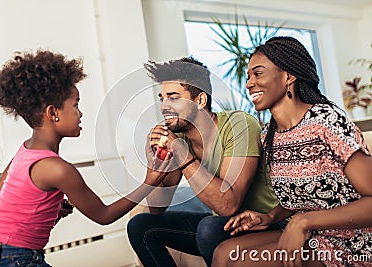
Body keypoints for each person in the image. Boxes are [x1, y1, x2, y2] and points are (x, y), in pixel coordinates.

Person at [0, 50, 171, 266]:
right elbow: (104, 215)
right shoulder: (58, 169)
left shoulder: (25, 151)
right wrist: (150, 182)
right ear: (53, 113)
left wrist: (51, 210)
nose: (80, 113)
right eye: (76, 104)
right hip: (17, 259)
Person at [212, 36, 372, 267]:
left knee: (244, 263)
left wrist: (303, 221)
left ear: (288, 76)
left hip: (356, 241)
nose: (249, 83)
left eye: (258, 73)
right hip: (314, 234)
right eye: (248, 77)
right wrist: (270, 217)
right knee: (224, 252)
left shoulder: (326, 122)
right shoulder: (270, 135)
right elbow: (304, 196)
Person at [127, 56, 283, 267]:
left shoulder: (239, 125)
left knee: (209, 228)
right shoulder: (179, 137)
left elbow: (228, 205)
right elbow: (157, 208)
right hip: (227, 225)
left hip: (268, 222)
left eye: (173, 98)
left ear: (200, 101)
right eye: (161, 98)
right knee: (140, 225)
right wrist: (154, 165)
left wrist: (182, 155)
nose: (164, 106)